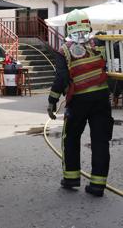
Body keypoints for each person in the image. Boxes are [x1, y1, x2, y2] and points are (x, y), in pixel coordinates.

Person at [47, 10, 113, 197]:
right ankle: (98, 185)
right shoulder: (99, 45)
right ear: (88, 26)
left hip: (78, 102)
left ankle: (71, 178)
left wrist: (52, 101)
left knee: (71, 139)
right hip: (101, 99)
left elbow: (61, 78)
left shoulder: (64, 50)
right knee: (100, 141)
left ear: (68, 28)